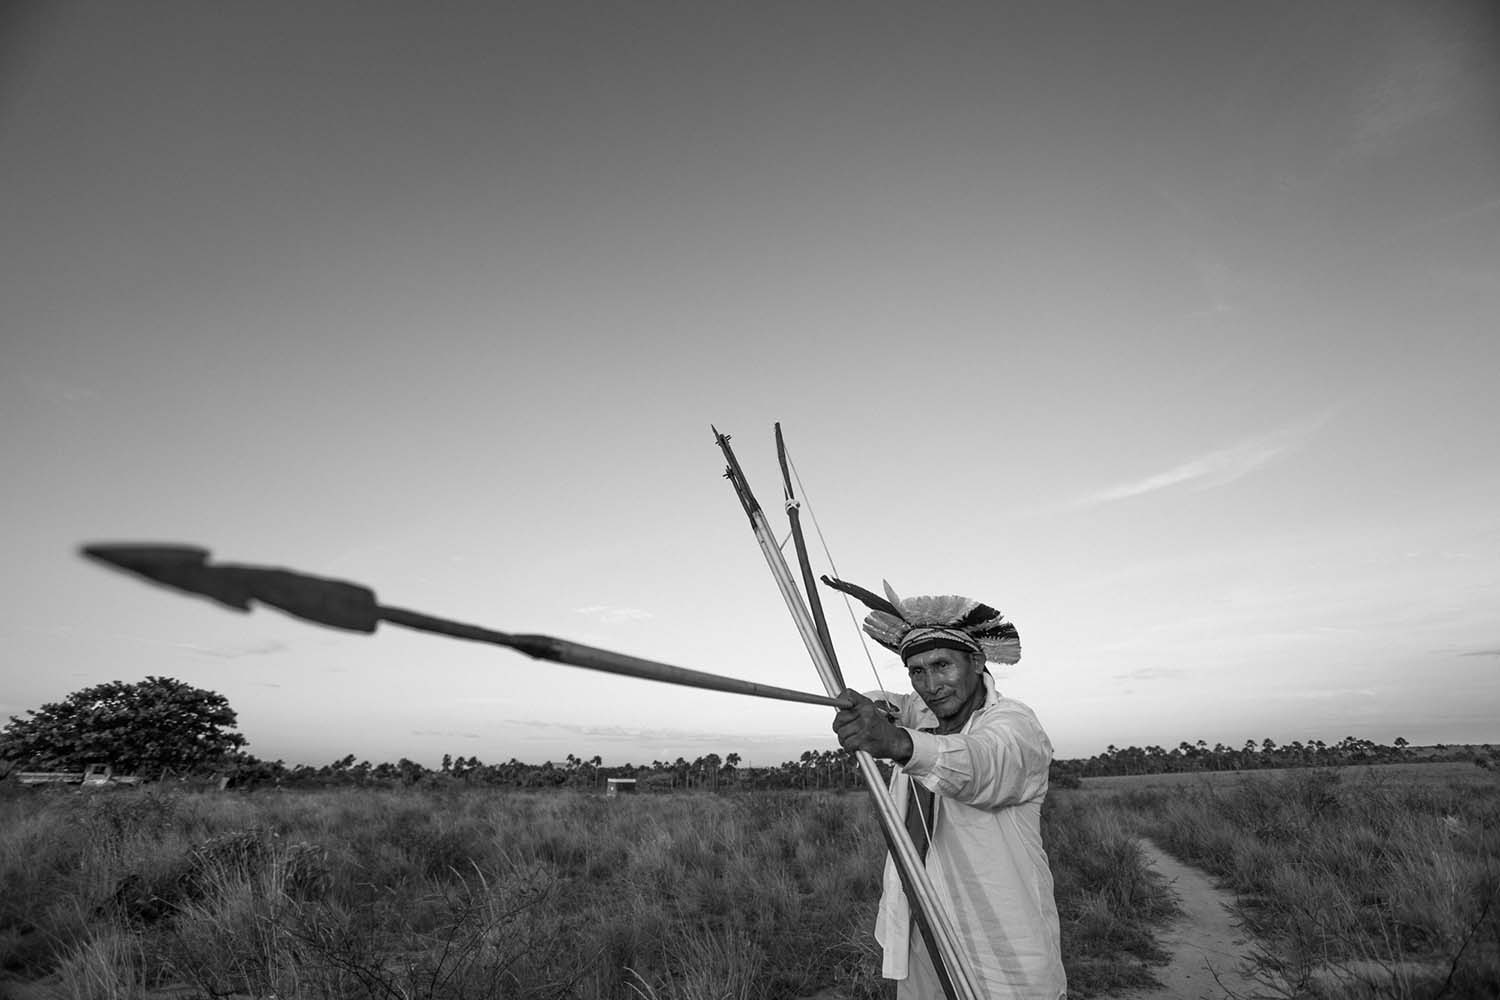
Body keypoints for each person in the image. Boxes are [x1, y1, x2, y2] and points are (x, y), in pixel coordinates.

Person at [825, 577, 1066, 1000]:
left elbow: (982, 764)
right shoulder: (922, 713)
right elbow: (886, 702)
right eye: (917, 671)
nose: (931, 685)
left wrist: (897, 742)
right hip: (921, 932)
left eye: (942, 666)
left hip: (1001, 950)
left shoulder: (1014, 725)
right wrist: (866, 710)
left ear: (976, 662)